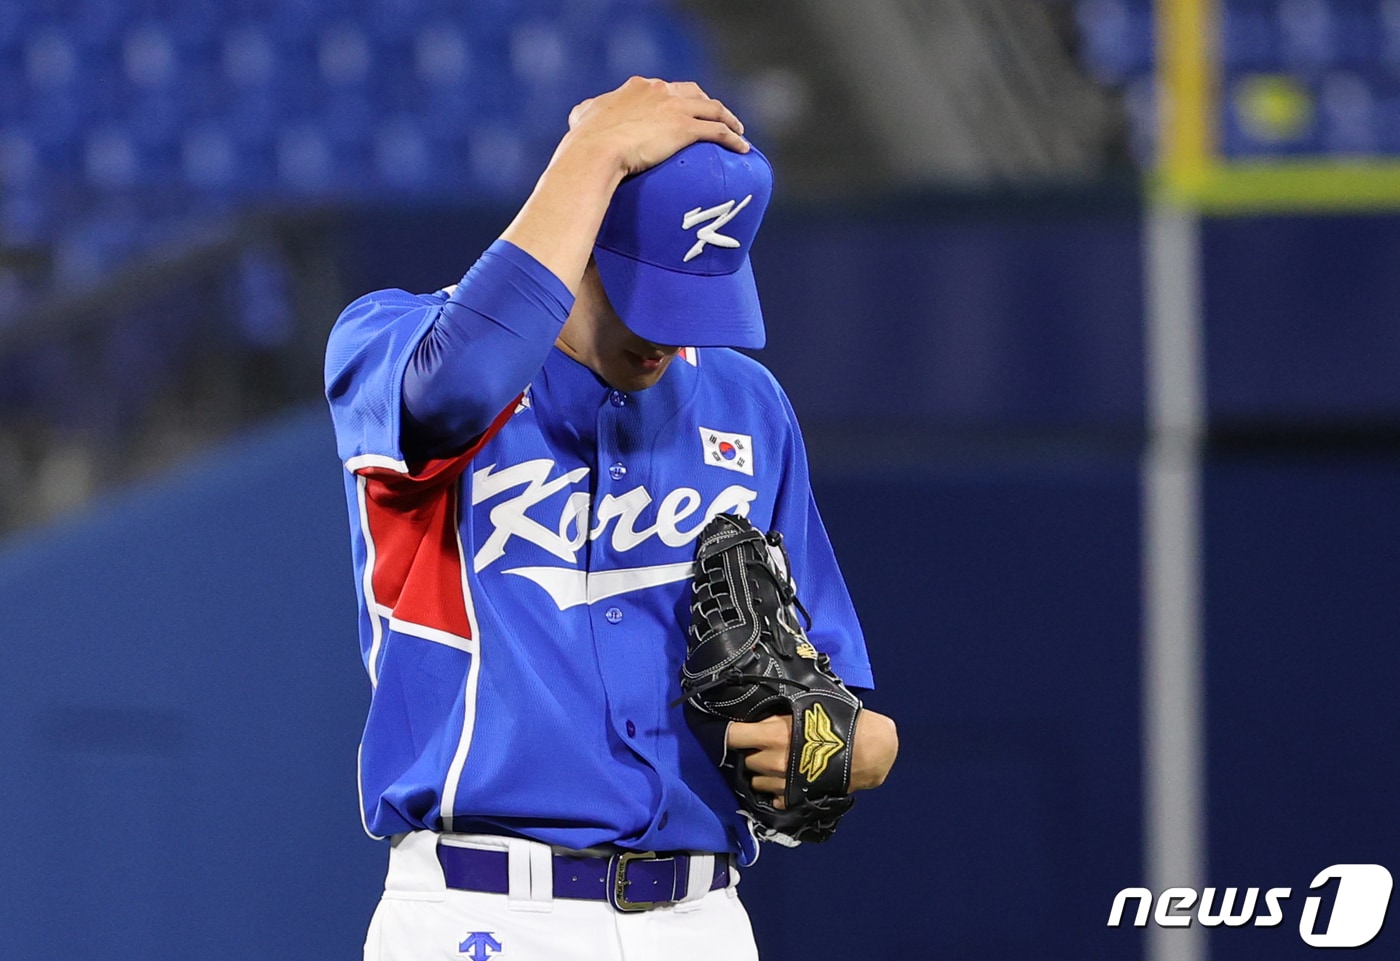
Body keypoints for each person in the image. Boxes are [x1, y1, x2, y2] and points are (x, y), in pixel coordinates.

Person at [324, 77, 899, 961]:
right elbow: (456, 386)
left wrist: (857, 746)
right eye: (650, 289)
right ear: (579, 236)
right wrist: (594, 153)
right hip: (483, 910)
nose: (670, 334)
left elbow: (839, 686)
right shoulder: (388, 342)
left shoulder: (747, 407)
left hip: (701, 917)